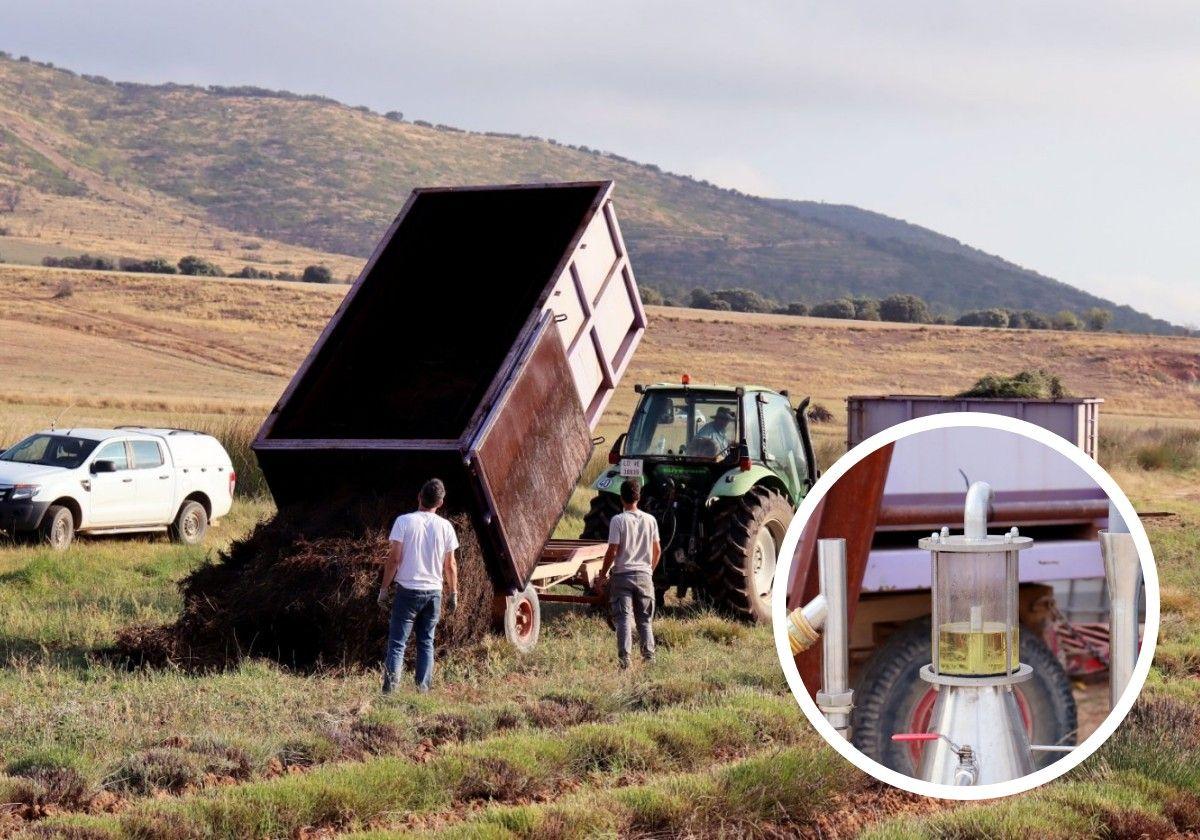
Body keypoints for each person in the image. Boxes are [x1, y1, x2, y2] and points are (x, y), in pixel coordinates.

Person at [377, 478, 459, 693]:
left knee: (397, 644)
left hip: (407, 592)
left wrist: (384, 590)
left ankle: (390, 692)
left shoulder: (403, 522)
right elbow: (450, 565)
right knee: (426, 643)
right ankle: (422, 691)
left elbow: (394, 560)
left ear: (419, 497)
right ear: (440, 503)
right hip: (434, 594)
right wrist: (453, 593)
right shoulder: (446, 527)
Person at [595, 478, 661, 669]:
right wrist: (649, 570)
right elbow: (657, 550)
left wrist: (603, 575)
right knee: (645, 620)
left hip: (622, 576)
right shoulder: (651, 520)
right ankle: (649, 659)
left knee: (623, 619)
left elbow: (613, 550)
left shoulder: (618, 520)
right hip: (644, 575)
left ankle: (625, 661)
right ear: (638, 497)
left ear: (621, 498)